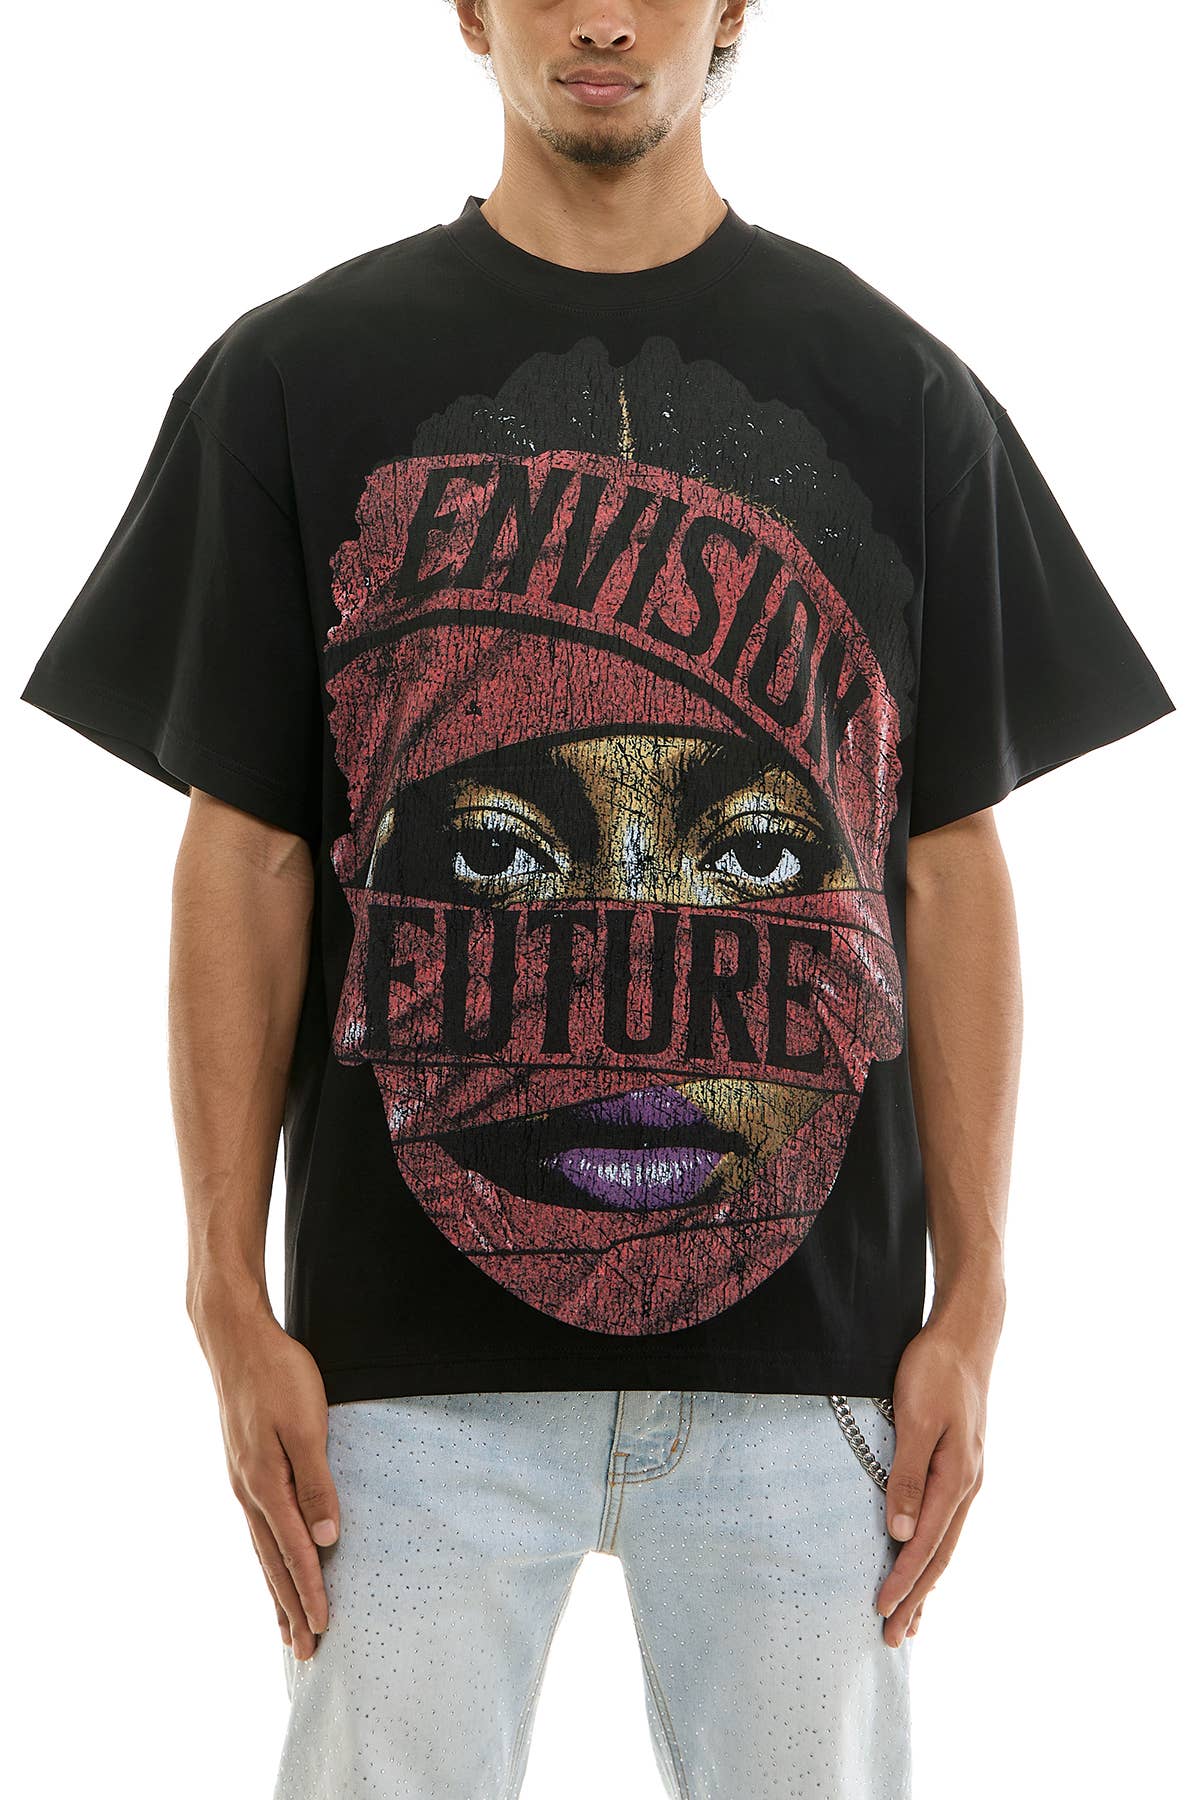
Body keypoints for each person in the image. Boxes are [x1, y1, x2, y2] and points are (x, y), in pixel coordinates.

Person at [18, 3, 1176, 1795]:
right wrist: (223, 1298)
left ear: (736, 10)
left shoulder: (902, 392)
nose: (606, 19)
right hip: (402, 1380)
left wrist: (978, 1300)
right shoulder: (294, 379)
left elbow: (947, 860)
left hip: (814, 1367)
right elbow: (244, 849)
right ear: (470, 8)